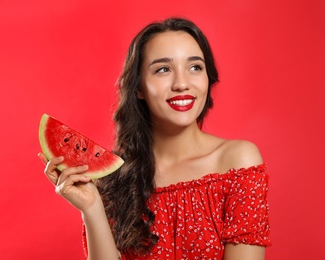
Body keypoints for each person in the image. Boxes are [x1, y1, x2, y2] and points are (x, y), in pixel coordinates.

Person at [39, 17, 271, 259]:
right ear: (138, 87)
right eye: (163, 69)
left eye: (195, 67)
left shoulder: (238, 161)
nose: (182, 84)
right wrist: (92, 208)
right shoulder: (114, 177)